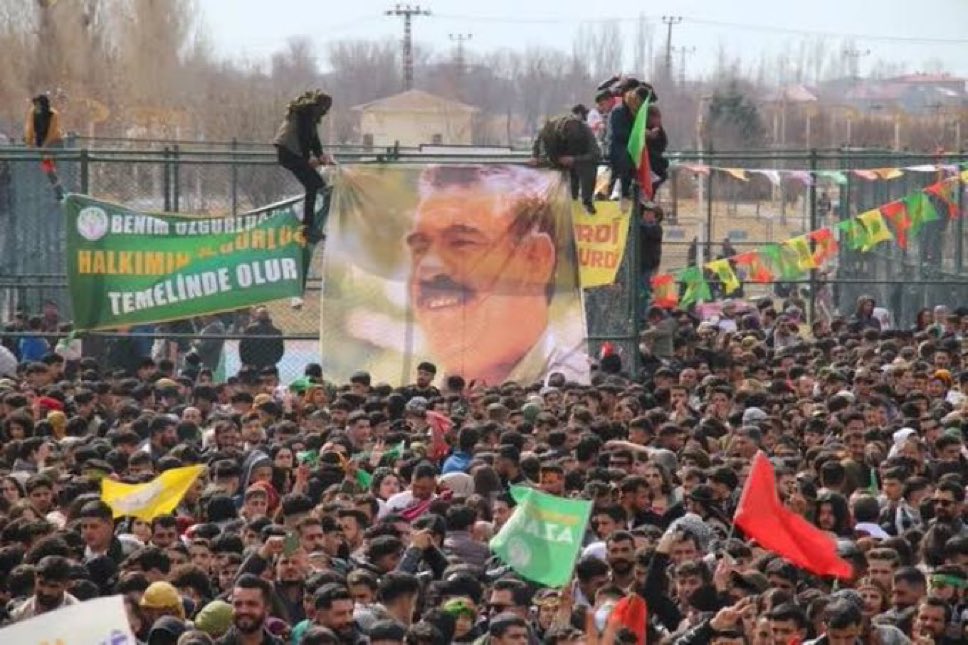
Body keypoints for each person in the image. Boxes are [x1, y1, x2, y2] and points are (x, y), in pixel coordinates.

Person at [405, 164, 589, 385]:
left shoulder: (582, 385)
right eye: (419, 248)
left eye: (461, 242)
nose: (428, 268)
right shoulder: (417, 401)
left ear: (535, 259)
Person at [273, 90, 332, 244]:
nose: (326, 112)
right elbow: (305, 138)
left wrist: (320, 155)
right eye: (325, 108)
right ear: (318, 105)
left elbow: (314, 139)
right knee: (315, 184)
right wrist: (309, 160)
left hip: (288, 152)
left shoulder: (309, 115)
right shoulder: (306, 114)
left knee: (315, 184)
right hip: (289, 152)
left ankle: (309, 225)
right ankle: (308, 227)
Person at [531, 110, 601, 213]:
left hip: (579, 160)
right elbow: (539, 141)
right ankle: (551, 201)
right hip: (557, 158)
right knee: (555, 175)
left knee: (588, 168)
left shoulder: (585, 130)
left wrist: (574, 159)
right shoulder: (550, 129)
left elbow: (595, 155)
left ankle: (586, 201)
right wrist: (535, 155)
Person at [239, 307, 284, 372]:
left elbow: (242, 347)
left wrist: (246, 362)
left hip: (252, 363)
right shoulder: (276, 331)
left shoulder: (250, 330)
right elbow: (280, 350)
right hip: (269, 363)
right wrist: (272, 362)